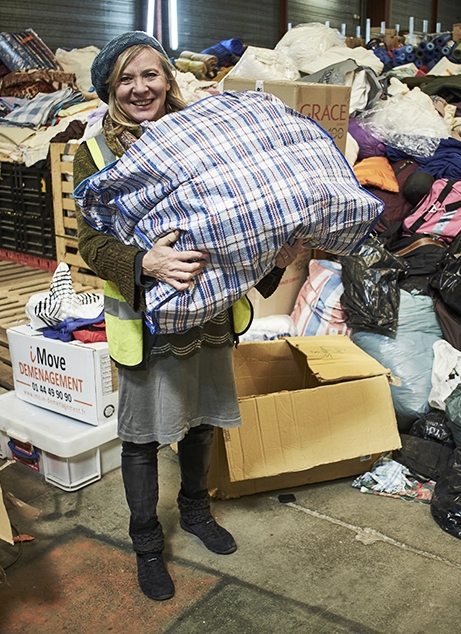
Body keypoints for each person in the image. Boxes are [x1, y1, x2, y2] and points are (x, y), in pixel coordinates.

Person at [74, 31, 303, 602]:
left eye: (150, 74)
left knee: (201, 421)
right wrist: (143, 260)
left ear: (168, 80)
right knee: (143, 438)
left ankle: (196, 512)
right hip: (147, 321)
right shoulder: (96, 150)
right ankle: (147, 543)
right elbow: (87, 240)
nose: (139, 88)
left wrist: (276, 254)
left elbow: (242, 212)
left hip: (210, 311)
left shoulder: (203, 132)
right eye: (125, 78)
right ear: (108, 87)